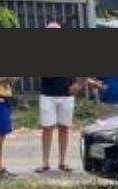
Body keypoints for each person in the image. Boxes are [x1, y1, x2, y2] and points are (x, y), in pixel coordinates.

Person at [34, 22, 87, 174]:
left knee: (65, 128)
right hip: (48, 94)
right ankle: (45, 163)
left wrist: (80, 84)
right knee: (47, 128)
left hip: (66, 95)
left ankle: (63, 162)